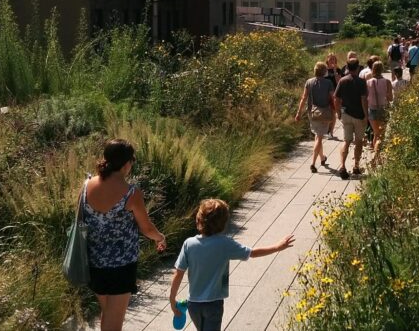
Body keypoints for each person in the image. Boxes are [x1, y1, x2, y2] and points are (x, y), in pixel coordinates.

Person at [169, 199, 295, 331]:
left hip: (193, 304)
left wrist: (172, 299)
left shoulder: (189, 244)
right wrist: (277, 247)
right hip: (214, 304)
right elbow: (252, 253)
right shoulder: (225, 244)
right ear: (223, 224)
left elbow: (179, 273)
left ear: (198, 220)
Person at [82, 139, 167, 331]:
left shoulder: (86, 186)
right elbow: (146, 228)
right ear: (127, 163)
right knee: (113, 325)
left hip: (94, 263)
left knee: (108, 316)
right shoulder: (131, 193)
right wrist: (160, 237)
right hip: (121, 267)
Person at [294, 61, 336, 173]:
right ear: (324, 71)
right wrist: (337, 111)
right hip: (324, 113)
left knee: (318, 136)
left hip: (312, 113)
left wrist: (298, 113)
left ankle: (322, 158)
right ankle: (312, 163)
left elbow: (303, 98)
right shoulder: (328, 83)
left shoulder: (309, 82)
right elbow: (333, 98)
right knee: (319, 137)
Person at [334, 58, 369, 180]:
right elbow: (363, 99)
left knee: (346, 141)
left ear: (347, 67)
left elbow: (336, 99)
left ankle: (342, 167)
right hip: (359, 115)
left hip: (346, 115)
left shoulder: (342, 81)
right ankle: (356, 166)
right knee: (358, 141)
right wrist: (366, 115)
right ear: (358, 67)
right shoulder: (361, 82)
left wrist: (338, 112)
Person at [367, 61, 394, 157]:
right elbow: (390, 99)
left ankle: (375, 155)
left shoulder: (368, 82)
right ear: (382, 69)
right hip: (383, 109)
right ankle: (376, 157)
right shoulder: (387, 82)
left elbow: (366, 98)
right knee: (381, 135)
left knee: (376, 134)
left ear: (373, 70)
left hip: (372, 110)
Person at [324, 53, 342, 139]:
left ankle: (330, 132)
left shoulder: (338, 70)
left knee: (333, 114)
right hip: (325, 94)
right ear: (327, 60)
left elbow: (339, 82)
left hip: (335, 94)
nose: (332, 61)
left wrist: (335, 71)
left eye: (334, 59)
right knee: (327, 113)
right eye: (330, 59)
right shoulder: (324, 70)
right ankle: (326, 130)